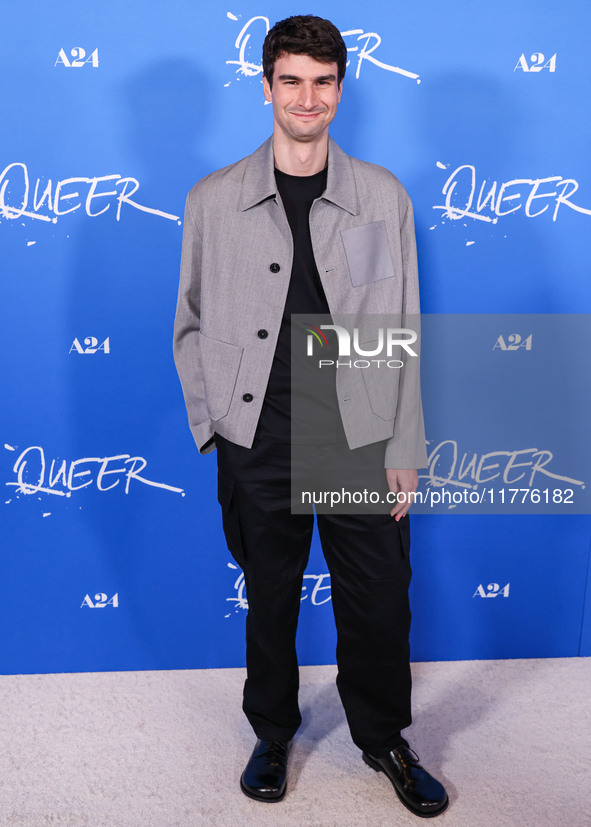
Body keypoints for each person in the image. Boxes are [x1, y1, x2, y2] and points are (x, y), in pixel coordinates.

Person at [173, 14, 448, 818]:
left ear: (339, 89)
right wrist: (217, 421)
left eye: (321, 81)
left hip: (355, 426)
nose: (306, 96)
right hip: (257, 427)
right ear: (266, 87)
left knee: (378, 594)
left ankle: (384, 737)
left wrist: (403, 442)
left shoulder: (381, 197)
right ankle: (271, 730)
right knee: (271, 591)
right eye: (290, 80)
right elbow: (187, 320)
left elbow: (403, 324)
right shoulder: (213, 199)